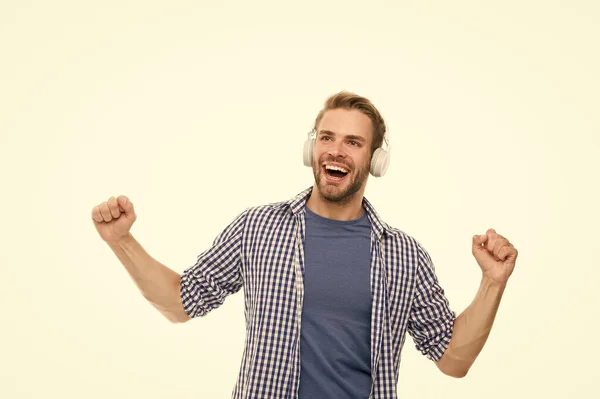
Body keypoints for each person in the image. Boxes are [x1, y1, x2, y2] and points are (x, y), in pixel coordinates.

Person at [91, 91, 519, 399]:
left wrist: (493, 283)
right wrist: (122, 241)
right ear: (311, 147)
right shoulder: (257, 228)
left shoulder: (404, 255)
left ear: (375, 160)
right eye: (327, 137)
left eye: (353, 142)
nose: (337, 150)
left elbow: (453, 361)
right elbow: (180, 303)